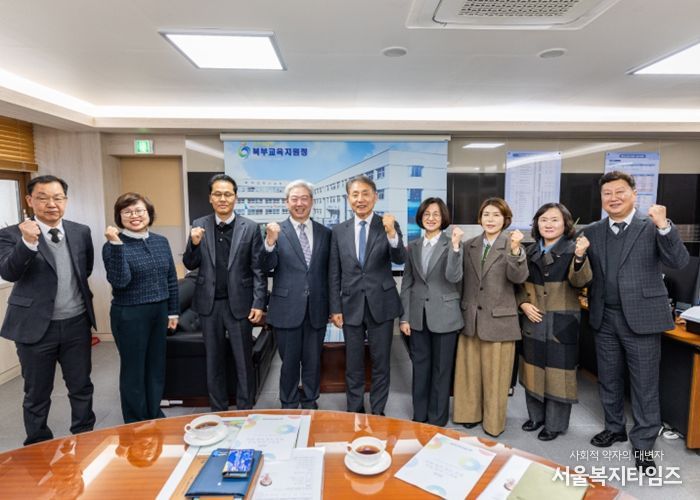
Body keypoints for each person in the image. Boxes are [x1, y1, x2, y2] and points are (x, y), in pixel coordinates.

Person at [586, 171, 689, 475]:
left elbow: (679, 261)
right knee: (609, 378)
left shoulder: (651, 226)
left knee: (644, 384)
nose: (613, 198)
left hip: (642, 317)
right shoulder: (593, 231)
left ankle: (643, 444)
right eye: (607, 193)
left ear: (634, 194)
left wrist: (665, 226)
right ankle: (614, 428)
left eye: (620, 192)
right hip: (605, 316)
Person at [0, 175, 96, 445]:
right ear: (30, 200)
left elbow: (85, 269)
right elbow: (9, 272)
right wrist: (27, 243)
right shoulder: (11, 234)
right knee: (37, 393)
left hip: (76, 323)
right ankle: (38, 443)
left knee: (81, 386)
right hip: (34, 327)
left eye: (57, 198)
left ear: (66, 200)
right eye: (43, 198)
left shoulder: (80, 231)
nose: (51, 204)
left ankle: (85, 438)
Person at [182, 174, 266, 411]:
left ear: (235, 197)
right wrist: (194, 244)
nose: (222, 199)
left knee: (243, 361)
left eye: (227, 194)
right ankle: (218, 410)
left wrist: (259, 303)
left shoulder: (250, 227)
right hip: (209, 306)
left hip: (240, 304)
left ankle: (245, 409)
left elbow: (258, 269)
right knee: (214, 361)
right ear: (210, 198)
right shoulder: (199, 224)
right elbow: (190, 263)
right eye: (217, 194)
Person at [329, 175, 406, 415]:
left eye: (365, 194)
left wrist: (391, 233)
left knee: (381, 363)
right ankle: (355, 410)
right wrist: (335, 308)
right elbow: (334, 272)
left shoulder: (387, 225)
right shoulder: (338, 230)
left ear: (375, 197)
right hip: (350, 305)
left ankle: (378, 412)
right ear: (348, 199)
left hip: (381, 304)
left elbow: (400, 258)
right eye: (355, 194)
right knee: (353, 364)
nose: (360, 199)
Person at [453, 197, 528, 437]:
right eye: (486, 214)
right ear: (480, 218)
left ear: (505, 219)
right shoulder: (469, 245)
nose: (491, 219)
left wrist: (515, 251)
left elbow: (518, 278)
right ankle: (469, 414)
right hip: (471, 318)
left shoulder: (513, 245)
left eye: (496, 215)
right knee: (469, 373)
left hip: (499, 320)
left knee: (496, 376)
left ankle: (493, 422)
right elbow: (461, 281)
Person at [517, 202, 591, 441]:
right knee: (533, 370)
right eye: (543, 220)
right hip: (534, 319)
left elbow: (580, 281)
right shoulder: (529, 251)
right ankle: (536, 417)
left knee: (559, 375)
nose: (548, 224)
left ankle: (555, 424)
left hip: (561, 322)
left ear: (565, 224)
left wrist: (579, 257)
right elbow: (517, 284)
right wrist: (523, 303)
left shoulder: (573, 249)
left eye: (554, 220)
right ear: (536, 224)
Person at [102, 192, 179, 423]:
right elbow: (120, 281)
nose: (134, 216)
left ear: (149, 213)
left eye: (139, 211)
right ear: (119, 216)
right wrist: (116, 244)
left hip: (159, 311)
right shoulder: (112, 246)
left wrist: (173, 311)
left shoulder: (160, 241)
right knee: (134, 370)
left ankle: (153, 412)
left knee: (156, 366)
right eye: (127, 212)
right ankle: (136, 420)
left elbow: (171, 278)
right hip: (130, 314)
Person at [262, 180, 331, 409]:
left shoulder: (325, 233)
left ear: (311, 201)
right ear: (286, 202)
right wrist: (269, 242)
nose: (299, 203)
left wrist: (333, 307)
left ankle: (310, 401)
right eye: (294, 199)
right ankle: (289, 403)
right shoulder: (275, 231)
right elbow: (266, 266)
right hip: (286, 308)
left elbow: (330, 272)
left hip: (317, 307)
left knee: (313, 361)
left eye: (304, 198)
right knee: (289, 362)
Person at [399, 197, 464, 426]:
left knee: (441, 369)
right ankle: (420, 415)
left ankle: (437, 418)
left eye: (436, 214)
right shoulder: (414, 246)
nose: (431, 218)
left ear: (443, 217)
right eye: (427, 214)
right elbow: (407, 283)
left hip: (445, 315)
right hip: (418, 316)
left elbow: (454, 277)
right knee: (420, 368)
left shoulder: (453, 243)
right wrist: (404, 317)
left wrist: (455, 247)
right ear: (420, 217)